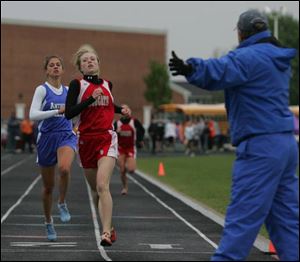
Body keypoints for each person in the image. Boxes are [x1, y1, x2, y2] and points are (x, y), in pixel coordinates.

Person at [169, 9, 299, 261]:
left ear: (241, 33)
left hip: (260, 146)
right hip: (285, 144)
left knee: (242, 219)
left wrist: (189, 67)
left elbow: (219, 70)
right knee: (287, 223)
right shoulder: (279, 59)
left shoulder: (247, 57)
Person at [65, 44, 131, 246]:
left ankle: (104, 233)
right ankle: (109, 226)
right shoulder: (77, 84)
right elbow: (69, 113)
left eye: (92, 59)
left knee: (103, 185)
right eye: (85, 60)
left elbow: (109, 105)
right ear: (81, 67)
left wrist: (122, 110)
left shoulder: (107, 84)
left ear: (98, 63)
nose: (89, 62)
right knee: (95, 190)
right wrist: (88, 100)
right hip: (86, 140)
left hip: (106, 137)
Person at [29, 55, 77, 241]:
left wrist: (77, 127)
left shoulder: (68, 90)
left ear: (62, 70)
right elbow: (33, 114)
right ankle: (48, 222)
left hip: (66, 135)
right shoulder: (42, 90)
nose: (55, 67)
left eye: (58, 65)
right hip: (47, 138)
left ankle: (62, 202)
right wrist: (57, 111)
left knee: (64, 169)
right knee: (48, 187)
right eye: (51, 65)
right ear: (46, 70)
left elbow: (78, 112)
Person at [114, 115, 145, 195]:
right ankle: (125, 188)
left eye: (127, 109)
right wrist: (116, 132)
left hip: (131, 148)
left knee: (131, 170)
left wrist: (140, 140)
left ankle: (128, 165)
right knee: (122, 170)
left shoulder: (134, 121)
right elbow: (111, 134)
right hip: (120, 149)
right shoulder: (117, 123)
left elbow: (142, 130)